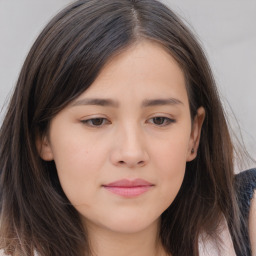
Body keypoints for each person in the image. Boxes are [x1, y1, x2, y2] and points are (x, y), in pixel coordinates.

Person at [0, 0, 255, 255]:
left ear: (194, 134)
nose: (131, 153)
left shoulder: (245, 222)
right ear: (42, 137)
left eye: (159, 120)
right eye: (96, 121)